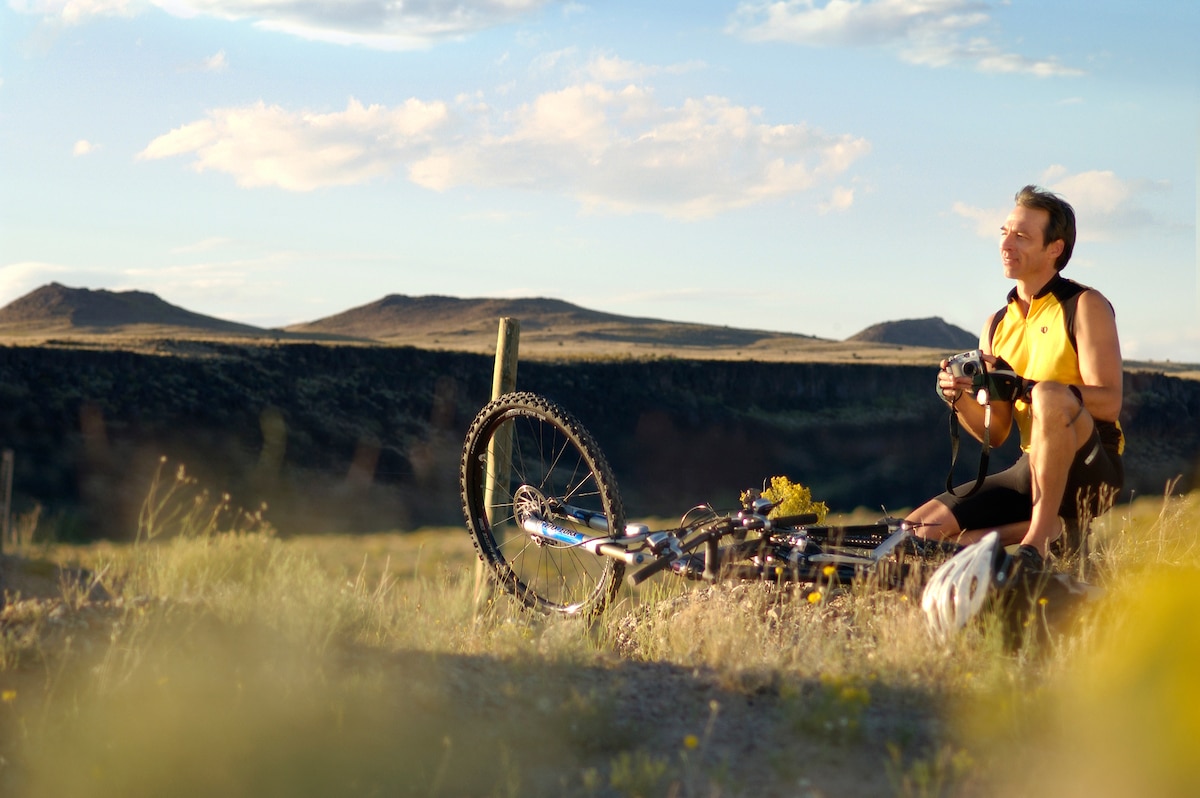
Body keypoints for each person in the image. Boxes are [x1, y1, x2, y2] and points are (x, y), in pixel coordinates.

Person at [907, 185, 1124, 569]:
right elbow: (997, 433)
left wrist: (1027, 387)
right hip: (1032, 466)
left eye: (1022, 236)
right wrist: (960, 398)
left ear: (1054, 248)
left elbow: (1109, 402)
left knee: (1050, 397)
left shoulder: (1083, 305)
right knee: (914, 533)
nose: (1007, 243)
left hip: (1092, 467)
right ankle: (1046, 528)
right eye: (1005, 232)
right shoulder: (996, 324)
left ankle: (1034, 547)